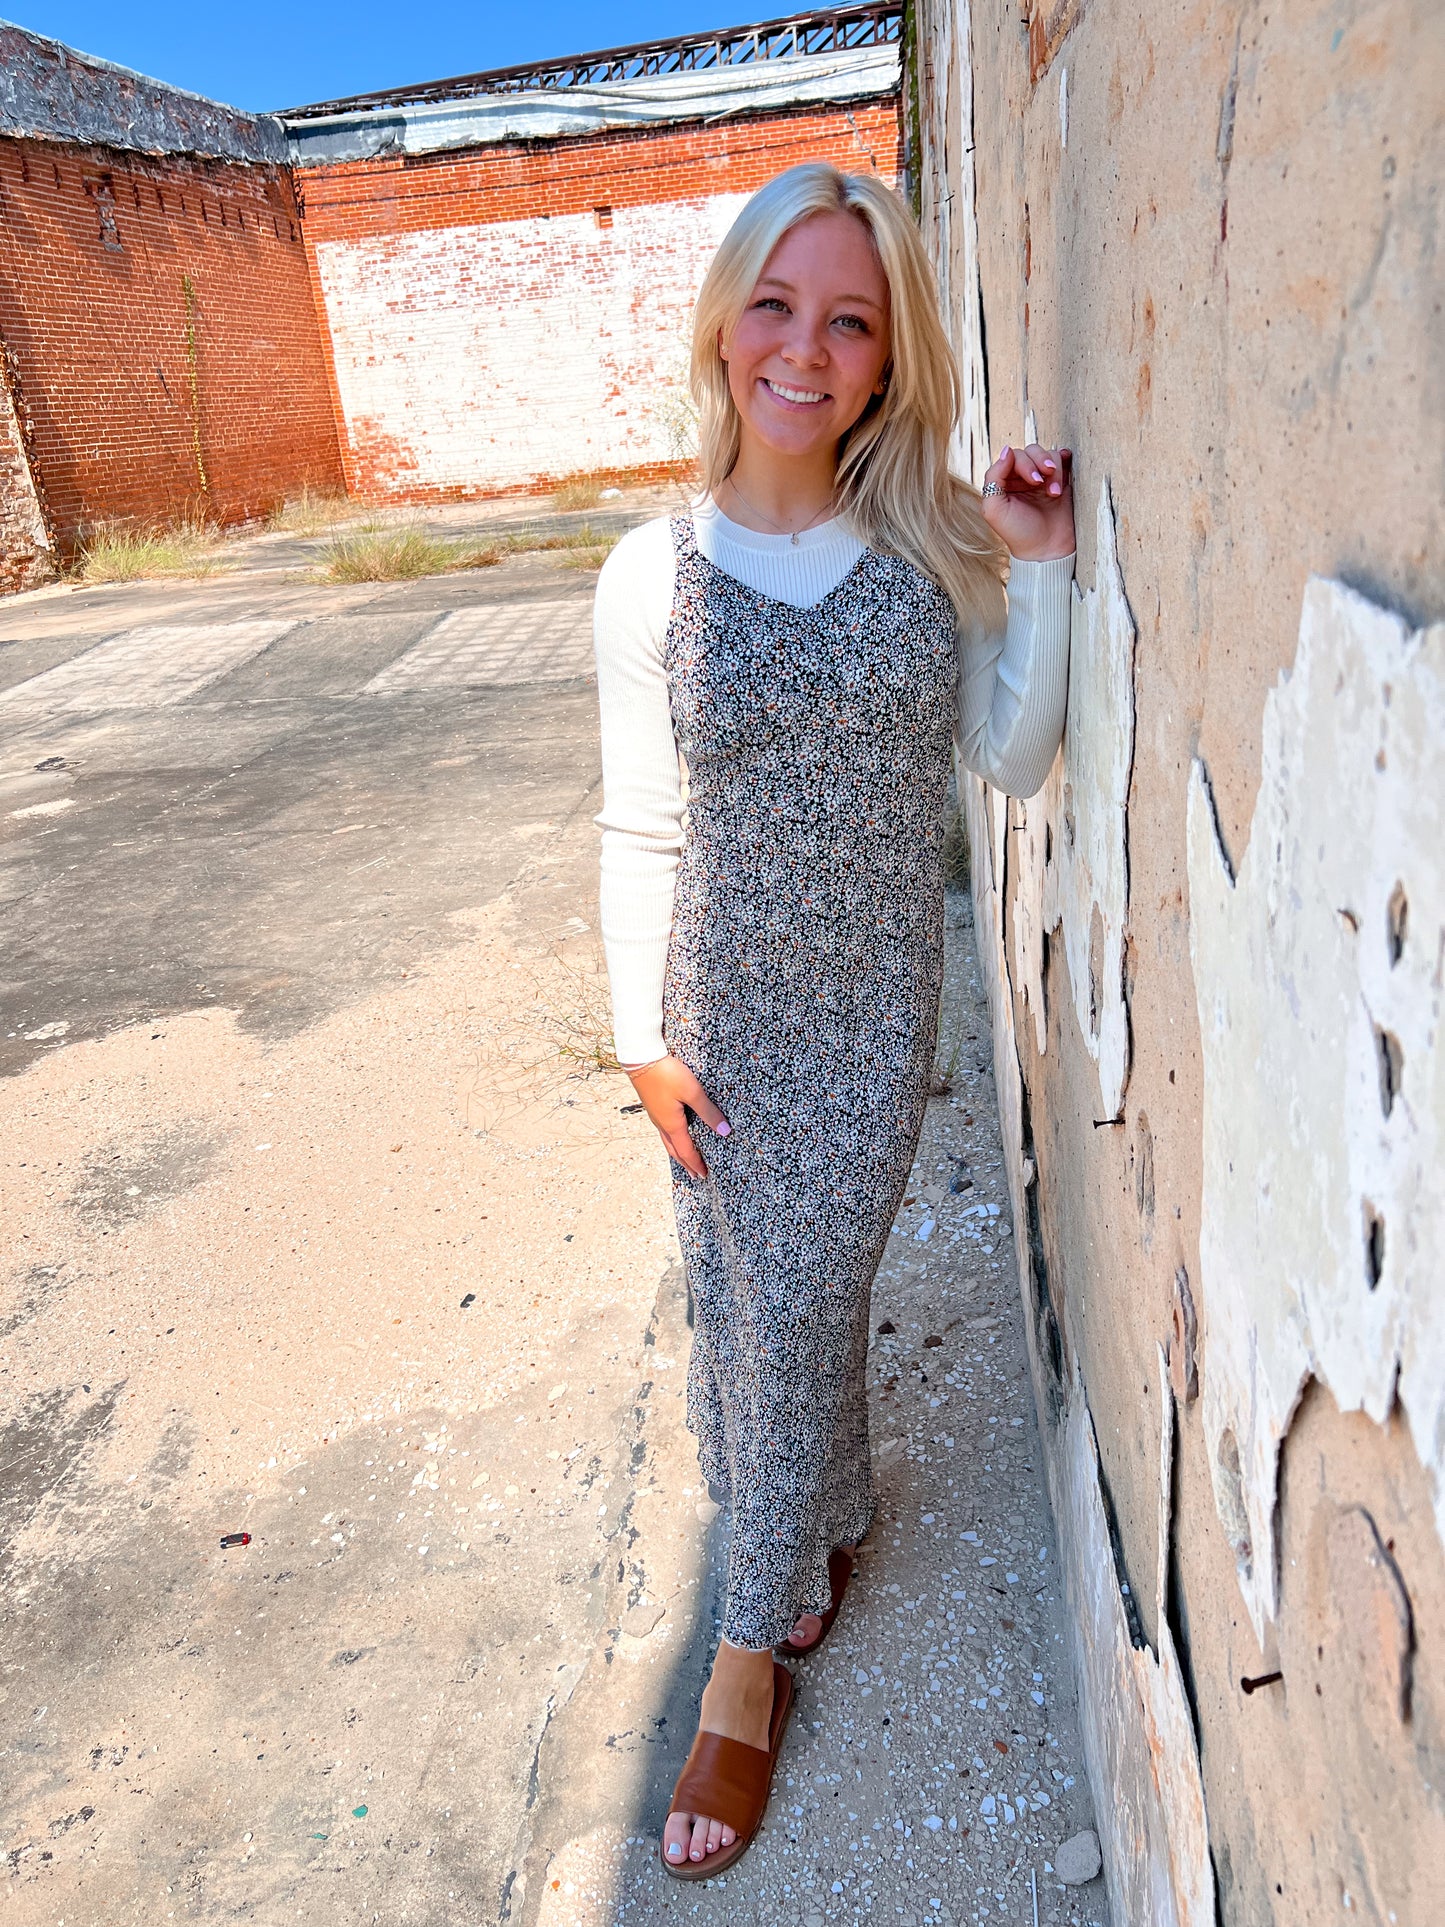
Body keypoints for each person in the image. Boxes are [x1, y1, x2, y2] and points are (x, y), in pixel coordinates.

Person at [591, 161, 1076, 1880]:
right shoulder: (648, 575)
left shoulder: (930, 542)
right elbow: (637, 824)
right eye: (778, 306)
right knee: (745, 1311)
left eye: (848, 320)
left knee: (795, 1308)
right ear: (729, 324)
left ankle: (740, 1664)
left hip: (868, 1021)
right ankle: (827, 1527)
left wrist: (1043, 567)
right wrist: (633, 1040)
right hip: (710, 1017)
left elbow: (1013, 756)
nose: (806, 346)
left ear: (886, 355)